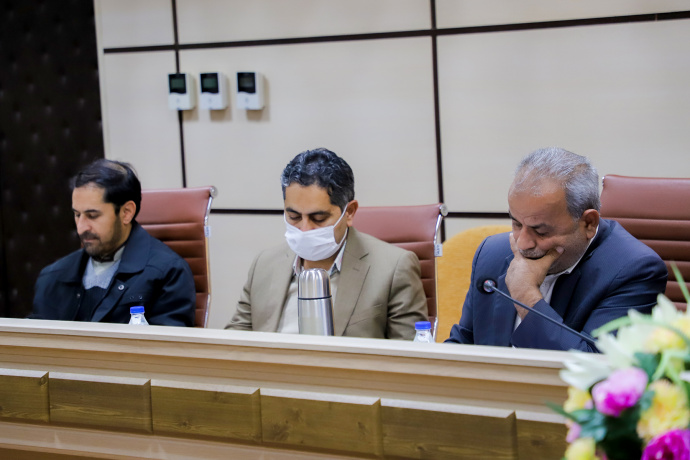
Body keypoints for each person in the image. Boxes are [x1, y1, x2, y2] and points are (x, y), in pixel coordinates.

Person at [445, 147, 667, 352]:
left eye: (540, 231)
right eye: (516, 224)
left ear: (588, 223)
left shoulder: (633, 271)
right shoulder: (491, 254)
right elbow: (462, 347)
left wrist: (526, 295)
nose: (523, 244)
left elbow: (593, 369)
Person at [226, 148, 428, 339]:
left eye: (319, 218)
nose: (305, 229)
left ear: (349, 213)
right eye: (294, 216)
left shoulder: (393, 269)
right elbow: (234, 343)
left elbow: (408, 355)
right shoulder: (264, 264)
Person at [31, 159, 196, 326]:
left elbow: (167, 341)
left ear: (126, 212)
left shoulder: (168, 273)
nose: (81, 228)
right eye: (77, 215)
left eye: (92, 216)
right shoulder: (52, 277)